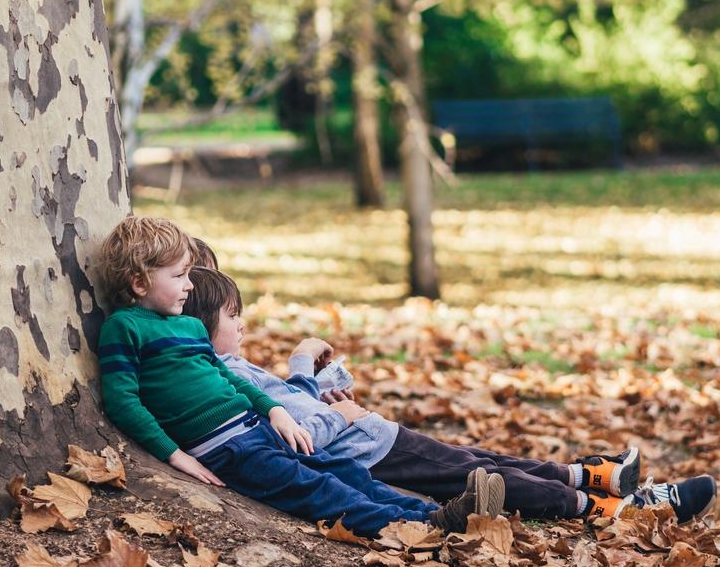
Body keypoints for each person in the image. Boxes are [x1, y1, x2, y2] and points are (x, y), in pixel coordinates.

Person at [182, 265, 719, 526]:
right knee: (485, 478)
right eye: (234, 317)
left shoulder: (225, 366)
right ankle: (615, 510)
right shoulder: (222, 375)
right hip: (368, 450)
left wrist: (324, 390)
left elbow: (297, 410)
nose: (244, 325)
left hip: (374, 436)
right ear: (203, 326)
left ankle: (593, 474)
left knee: (483, 459)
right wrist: (324, 394)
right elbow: (301, 430)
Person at [95, 216, 505, 537]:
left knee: (345, 473)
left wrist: (275, 411)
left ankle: (439, 514)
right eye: (179, 275)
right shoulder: (125, 328)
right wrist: (174, 455)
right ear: (139, 281)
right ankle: (419, 530)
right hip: (228, 450)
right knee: (319, 491)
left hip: (258, 428)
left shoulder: (188, 327)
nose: (189, 285)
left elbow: (229, 379)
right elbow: (123, 402)